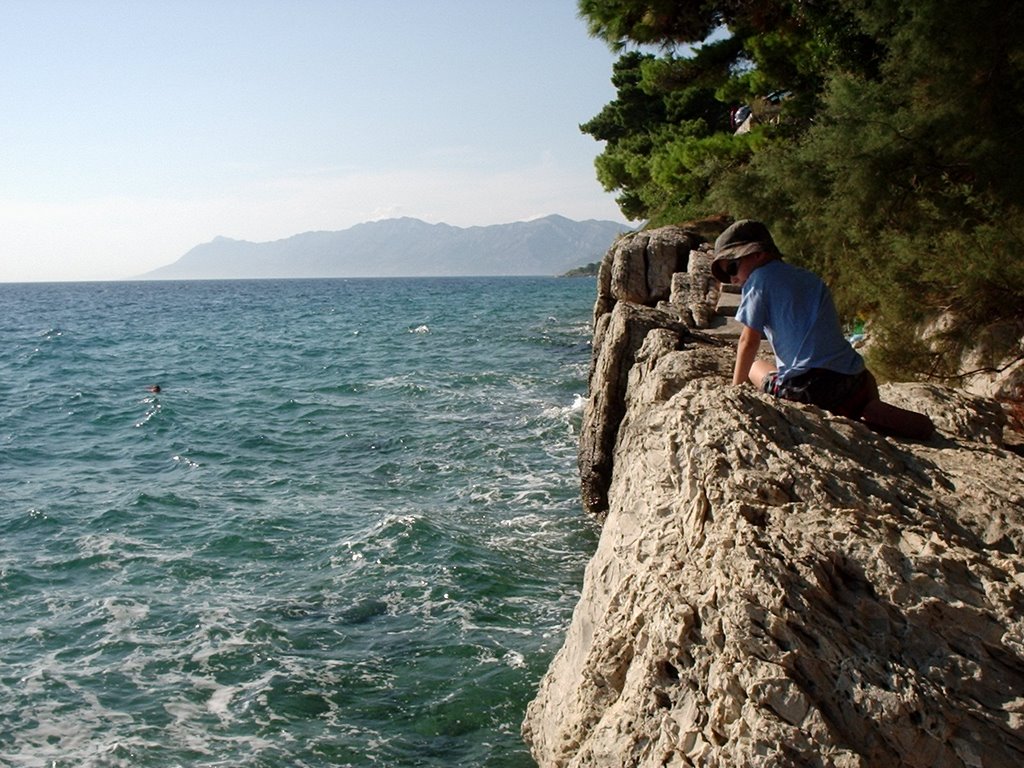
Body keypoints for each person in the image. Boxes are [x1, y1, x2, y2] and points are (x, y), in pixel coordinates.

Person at [711, 219, 934, 440]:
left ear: (757, 254)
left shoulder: (758, 279)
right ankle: (868, 407)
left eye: (733, 267)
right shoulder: (809, 278)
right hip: (854, 378)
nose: (732, 278)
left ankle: (851, 413)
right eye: (726, 274)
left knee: (756, 367)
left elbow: (748, 342)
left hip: (810, 389)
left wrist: (735, 392)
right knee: (851, 386)